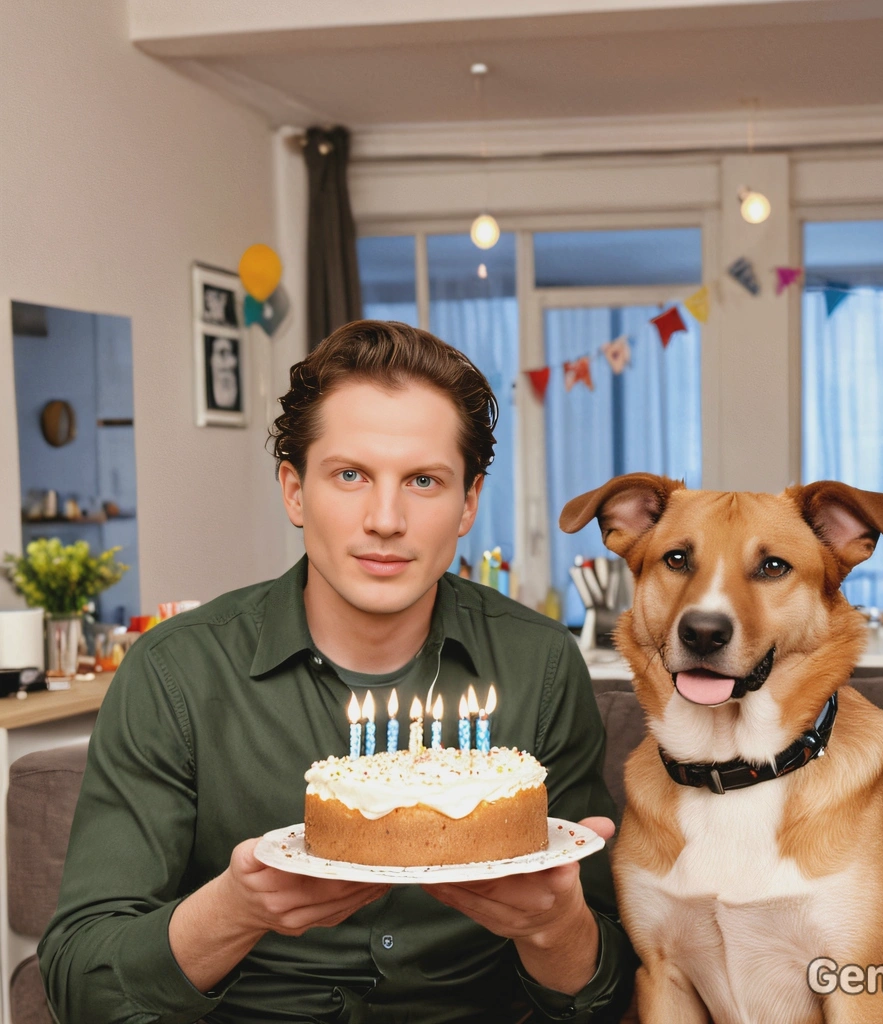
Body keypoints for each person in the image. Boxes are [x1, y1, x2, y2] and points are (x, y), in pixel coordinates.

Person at [39, 320, 637, 1023]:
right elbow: (82, 981)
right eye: (350, 475)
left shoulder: (540, 666)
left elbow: (603, 993)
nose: (385, 518)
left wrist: (554, 927)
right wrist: (235, 910)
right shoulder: (176, 673)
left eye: (423, 480)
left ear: (469, 502)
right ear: (294, 491)